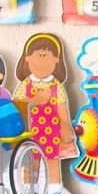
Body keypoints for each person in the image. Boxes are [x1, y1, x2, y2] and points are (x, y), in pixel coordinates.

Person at [18, 33, 69, 169]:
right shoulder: (25, 85)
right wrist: (34, 100)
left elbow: (62, 111)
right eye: (39, 55)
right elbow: (17, 108)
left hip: (52, 135)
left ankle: (54, 188)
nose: (42, 60)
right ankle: (27, 189)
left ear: (56, 60)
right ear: (27, 59)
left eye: (46, 55)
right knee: (29, 164)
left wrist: (65, 126)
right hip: (29, 133)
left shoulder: (56, 86)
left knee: (52, 164)